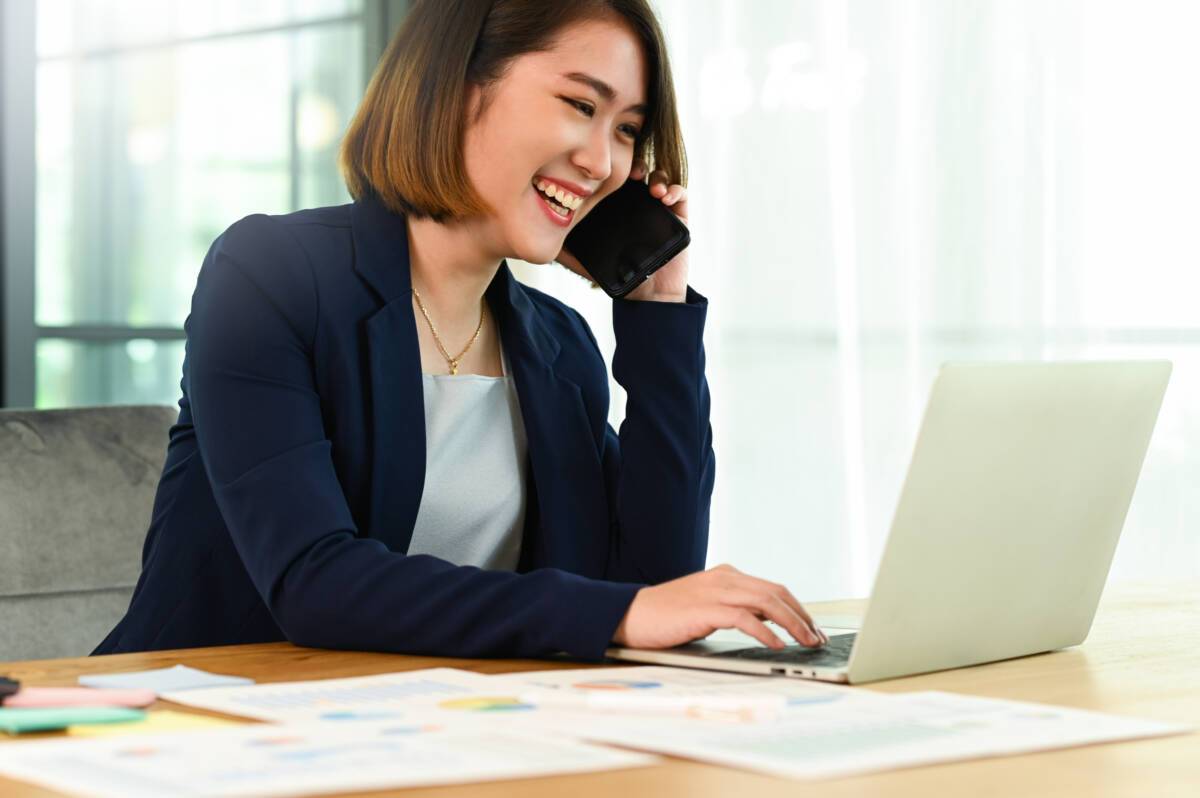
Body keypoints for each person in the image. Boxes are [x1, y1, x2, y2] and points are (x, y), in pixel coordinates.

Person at [95, 0, 827, 659]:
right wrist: (625, 611)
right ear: (460, 85)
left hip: (427, 731)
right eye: (579, 104)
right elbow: (314, 582)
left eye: (628, 131)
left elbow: (652, 585)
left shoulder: (556, 345)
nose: (603, 162)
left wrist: (656, 315)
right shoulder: (272, 275)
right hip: (198, 727)